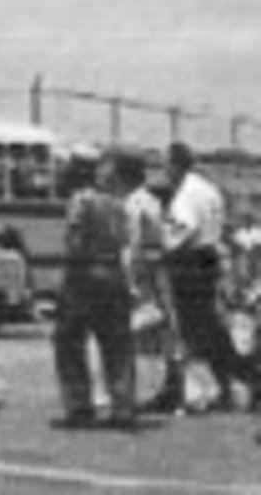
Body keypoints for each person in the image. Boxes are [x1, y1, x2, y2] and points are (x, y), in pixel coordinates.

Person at [163, 142, 257, 410]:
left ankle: (192, 391)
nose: (165, 171)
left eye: (167, 165)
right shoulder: (209, 189)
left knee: (191, 331)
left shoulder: (187, 194)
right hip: (208, 260)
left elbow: (183, 229)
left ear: (176, 165)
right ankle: (230, 386)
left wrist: (165, 248)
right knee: (210, 329)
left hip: (190, 262)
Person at [52, 147, 135, 429]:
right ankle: (123, 406)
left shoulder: (80, 201)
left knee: (69, 342)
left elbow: (75, 243)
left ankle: (79, 406)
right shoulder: (116, 202)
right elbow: (125, 240)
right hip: (114, 276)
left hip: (84, 279)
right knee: (117, 345)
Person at [119, 148, 184, 414]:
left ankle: (130, 393)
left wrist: (130, 282)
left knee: (133, 334)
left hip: (144, 275)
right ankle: (173, 389)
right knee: (167, 334)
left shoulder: (134, 202)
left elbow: (130, 245)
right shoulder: (154, 201)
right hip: (159, 273)